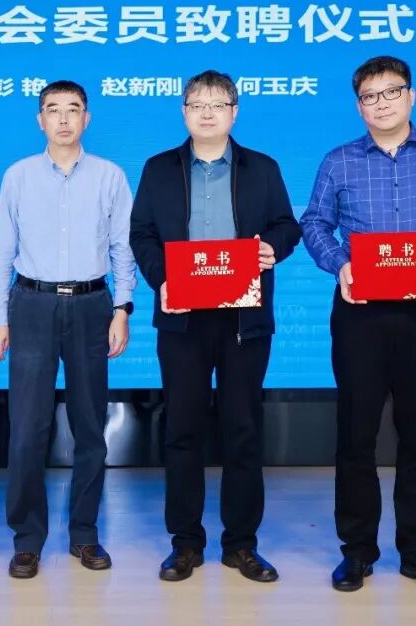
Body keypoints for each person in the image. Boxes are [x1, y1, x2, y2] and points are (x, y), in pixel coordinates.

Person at [300, 55, 416, 597]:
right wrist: (340, 264)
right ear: (358, 106)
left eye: (391, 92)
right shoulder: (338, 161)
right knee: (356, 434)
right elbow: (314, 223)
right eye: (370, 96)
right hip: (359, 312)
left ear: (411, 96)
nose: (381, 103)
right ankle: (357, 551)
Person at [129, 69, 301, 583]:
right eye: (197, 104)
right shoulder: (159, 168)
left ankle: (241, 544)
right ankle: (185, 543)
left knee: (242, 429)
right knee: (182, 430)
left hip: (243, 319)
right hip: (181, 318)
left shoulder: (262, 168)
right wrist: (163, 279)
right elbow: (142, 234)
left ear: (234, 112)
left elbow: (287, 225)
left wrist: (273, 248)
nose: (207, 113)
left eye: (218, 104)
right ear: (184, 112)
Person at [0, 80, 136, 579]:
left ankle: (85, 534)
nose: (64, 119)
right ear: (40, 120)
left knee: (90, 426)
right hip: (31, 304)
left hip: (93, 304)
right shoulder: (18, 176)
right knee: (27, 428)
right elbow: (1, 249)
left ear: (87, 119)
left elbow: (123, 247)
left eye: (74, 110)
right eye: (54, 110)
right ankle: (27, 539)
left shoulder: (110, 176)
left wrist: (122, 308)